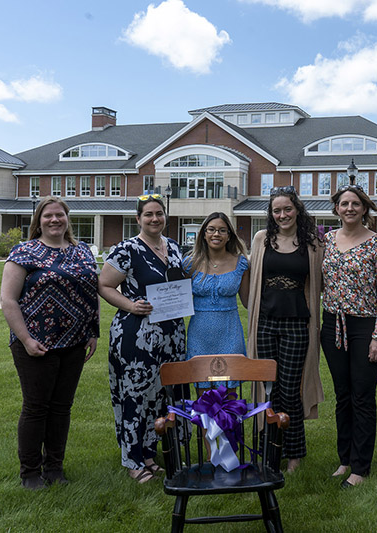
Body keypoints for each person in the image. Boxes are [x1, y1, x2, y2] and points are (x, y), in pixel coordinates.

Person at [0, 196, 99, 490]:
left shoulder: (82, 252)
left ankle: (55, 467)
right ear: (38, 221)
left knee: (61, 408)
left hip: (74, 343)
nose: (54, 220)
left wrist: (92, 331)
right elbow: (8, 300)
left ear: (67, 218)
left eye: (59, 215)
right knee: (36, 407)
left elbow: (90, 294)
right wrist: (26, 339)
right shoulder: (24, 252)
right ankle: (30, 472)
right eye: (48, 216)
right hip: (36, 344)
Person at [98, 194, 187, 484]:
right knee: (135, 395)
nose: (154, 219)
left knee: (161, 395)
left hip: (171, 333)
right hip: (137, 333)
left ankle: (149, 454)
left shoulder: (173, 247)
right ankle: (133, 460)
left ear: (165, 217)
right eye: (148, 214)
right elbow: (104, 284)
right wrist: (130, 305)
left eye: (159, 214)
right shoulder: (126, 249)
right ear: (138, 219)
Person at [320, 182, 377, 488]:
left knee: (362, 396)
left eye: (355, 203)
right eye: (344, 204)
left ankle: (360, 468)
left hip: (366, 327)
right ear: (336, 208)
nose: (349, 208)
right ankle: (345, 458)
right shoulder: (326, 240)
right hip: (332, 325)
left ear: (364, 208)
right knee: (343, 395)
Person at [246, 186, 324, 473]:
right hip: (265, 323)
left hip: (297, 325)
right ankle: (269, 451)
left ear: (297, 210)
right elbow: (249, 275)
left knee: (291, 391)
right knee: (267, 390)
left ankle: (294, 454)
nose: (282, 215)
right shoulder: (261, 239)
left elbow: (321, 283)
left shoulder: (313, 243)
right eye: (276, 211)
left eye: (287, 209)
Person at [185, 212, 249, 390]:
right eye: (211, 229)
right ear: (203, 234)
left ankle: (230, 420)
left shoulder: (240, 263)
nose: (216, 234)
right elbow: (177, 300)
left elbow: (248, 301)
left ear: (229, 236)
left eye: (222, 230)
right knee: (203, 394)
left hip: (230, 332)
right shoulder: (189, 264)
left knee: (229, 393)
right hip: (199, 334)